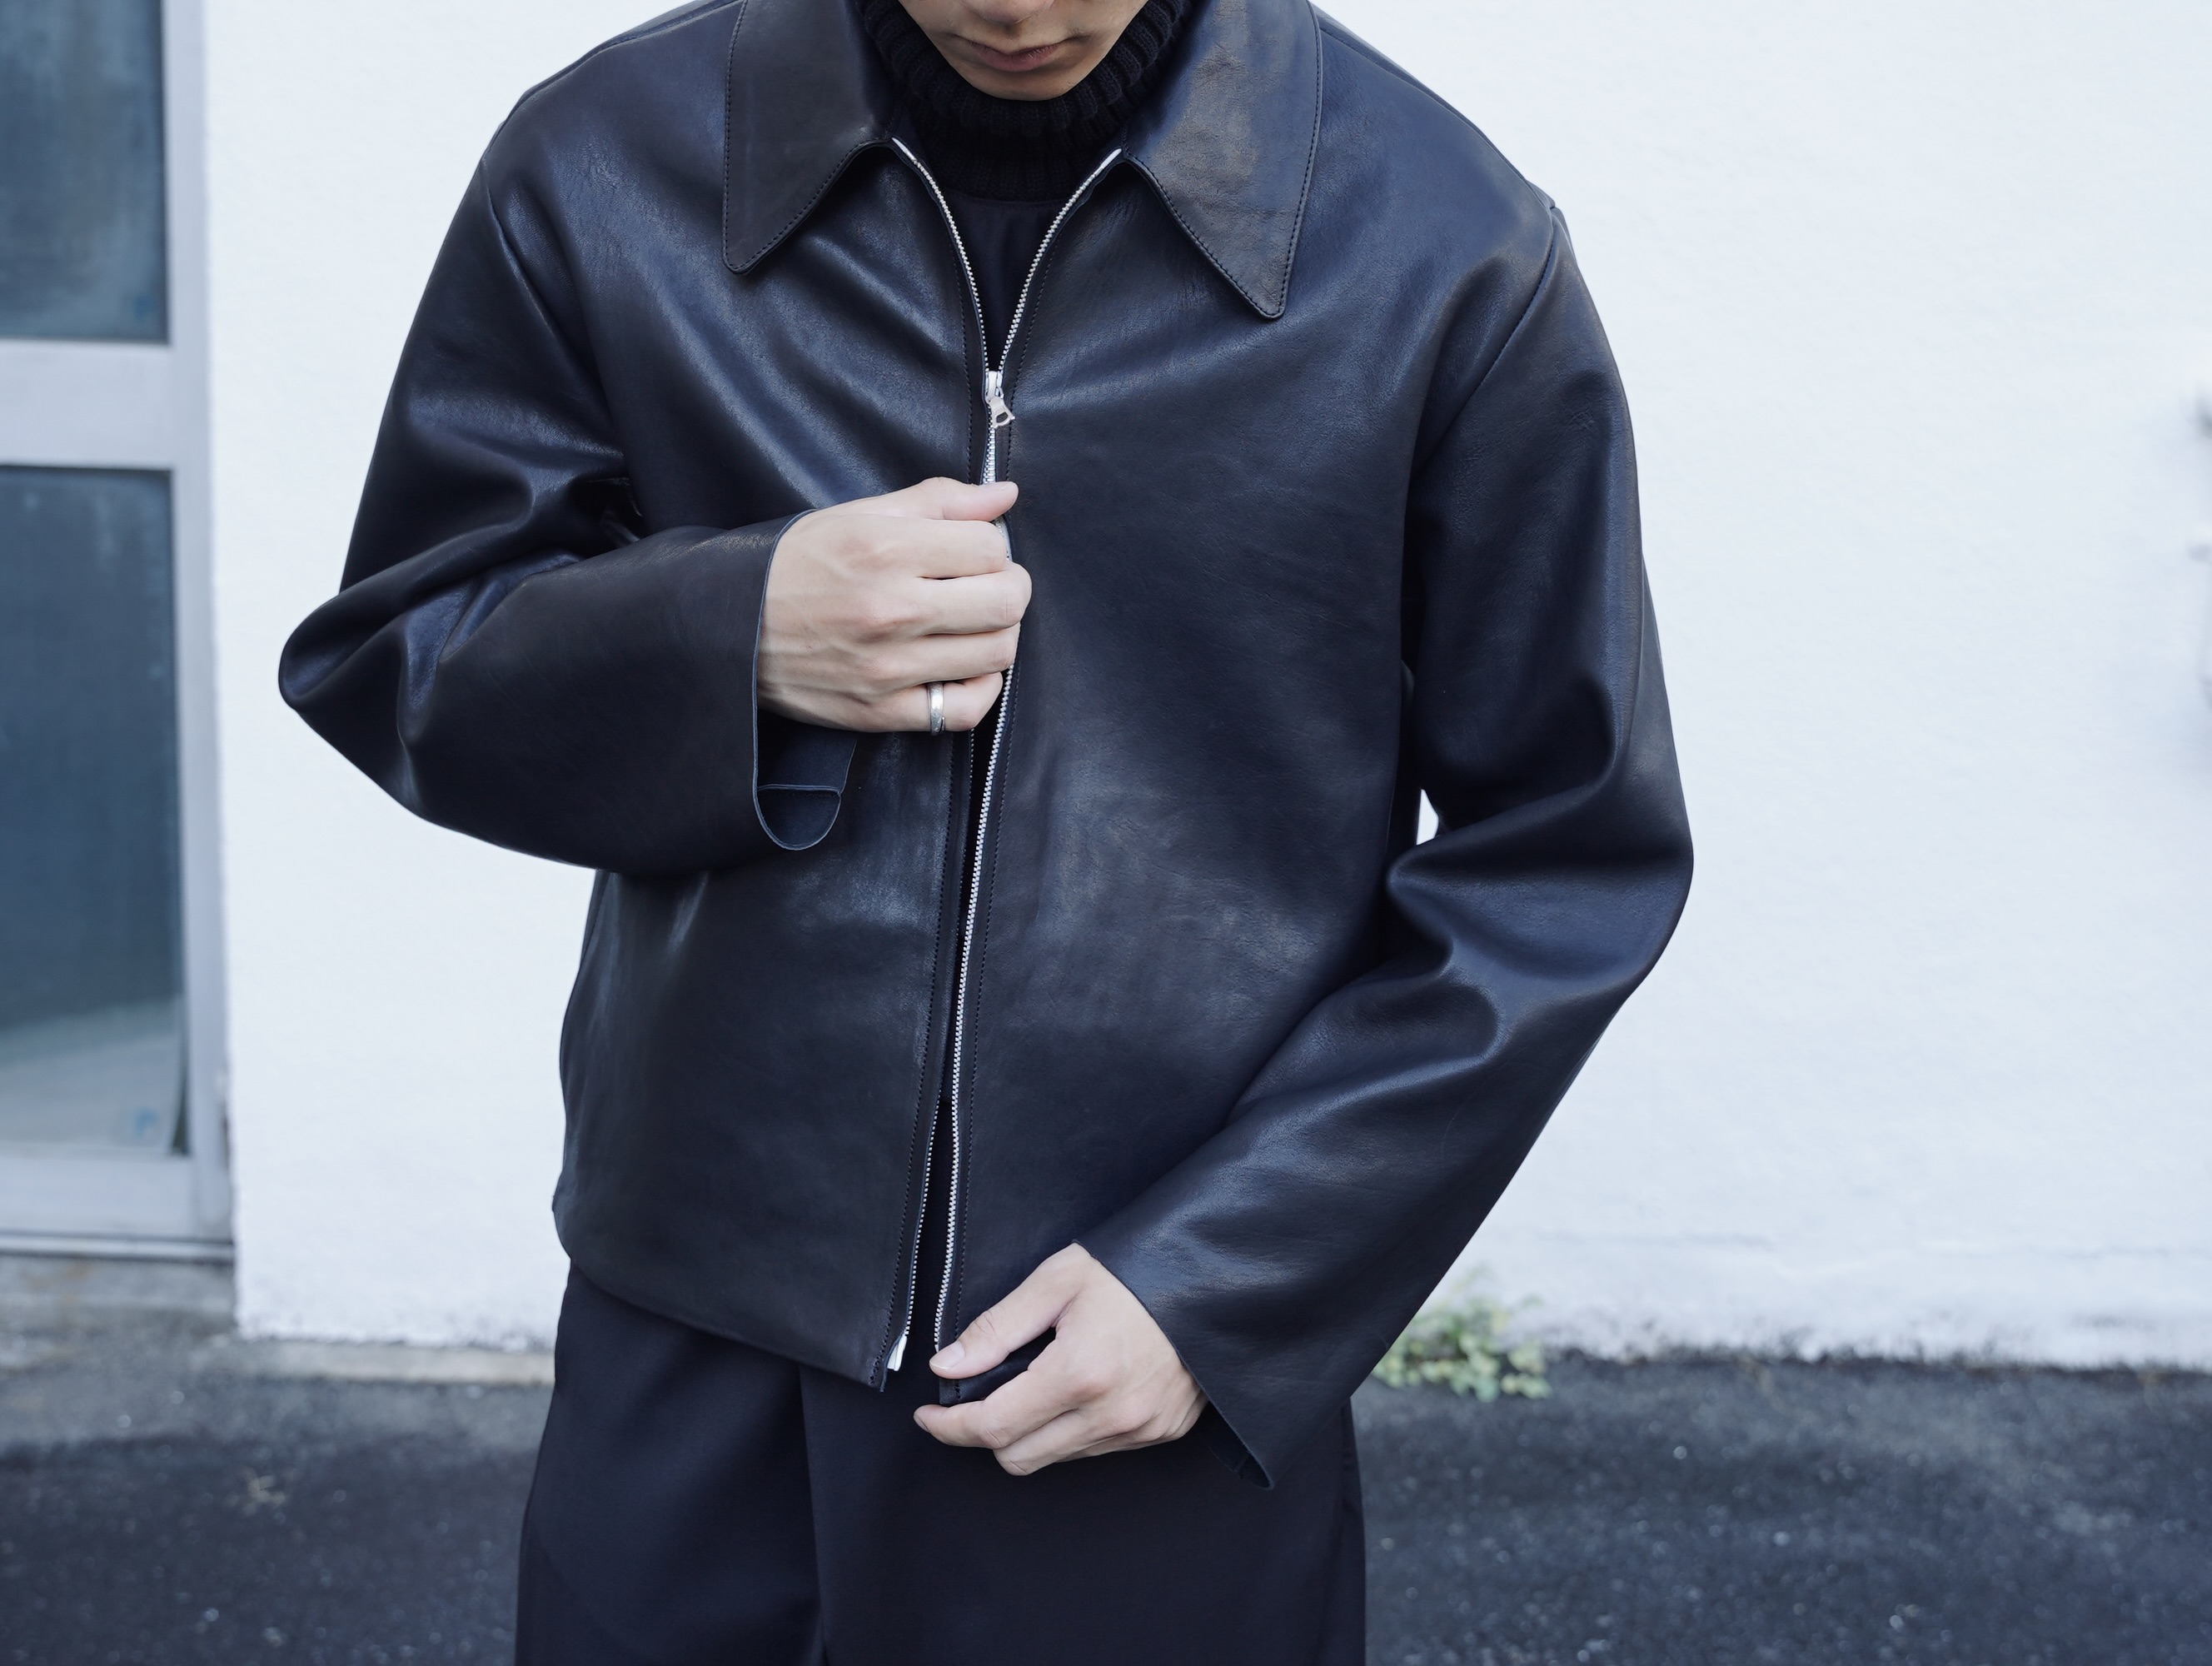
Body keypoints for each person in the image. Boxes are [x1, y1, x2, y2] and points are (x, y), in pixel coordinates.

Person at [279, 0, 1692, 1657]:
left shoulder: (1443, 243)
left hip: (1135, 1359)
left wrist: (1231, 1277)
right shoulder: (608, 163)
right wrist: (739, 632)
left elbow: (1564, 853)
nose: (1017, 9)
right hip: (692, 1338)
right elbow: (404, 655)